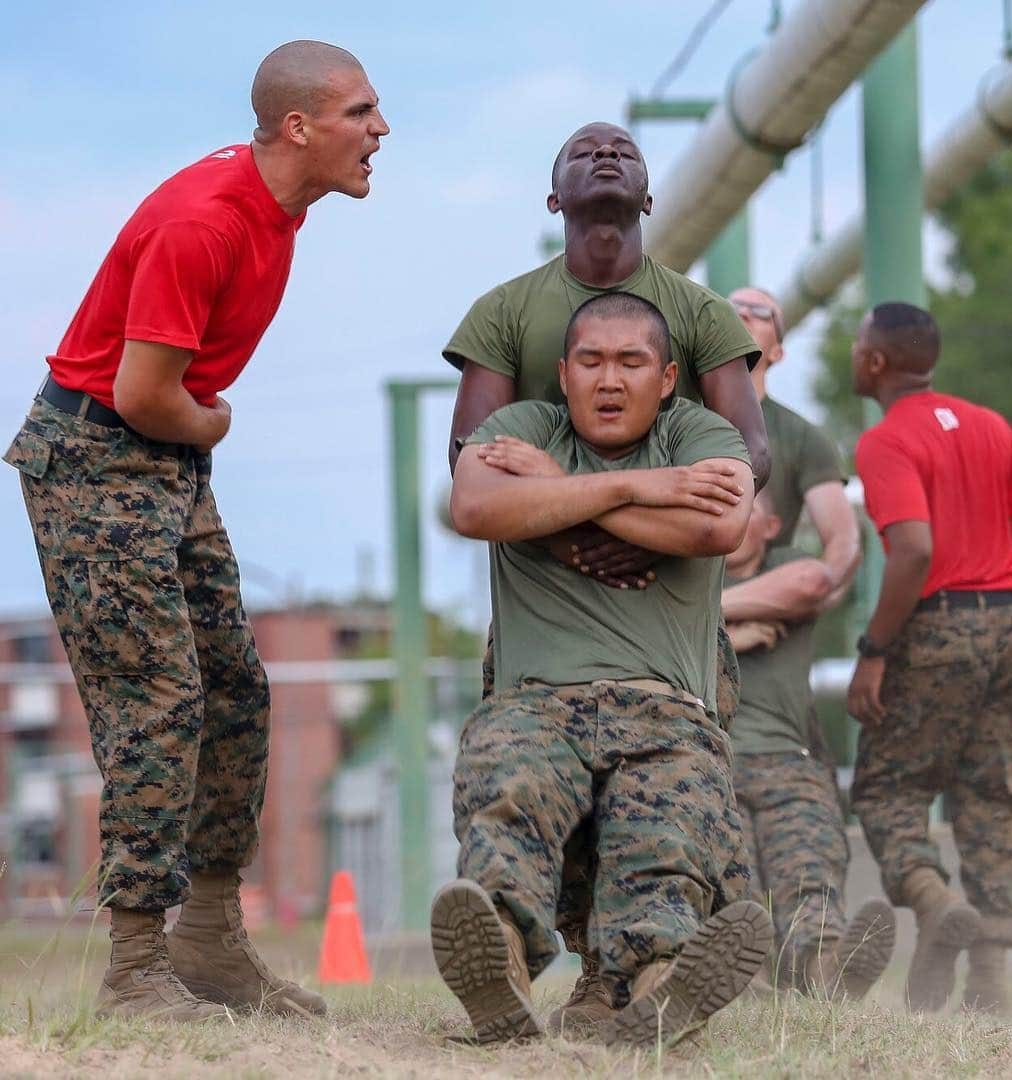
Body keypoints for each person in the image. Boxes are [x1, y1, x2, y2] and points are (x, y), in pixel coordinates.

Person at [2, 40, 389, 1021]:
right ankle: (135, 970)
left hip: (164, 461)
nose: (381, 131)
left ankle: (211, 942)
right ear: (298, 127)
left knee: (235, 690)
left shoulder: (281, 203)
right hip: (98, 457)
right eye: (362, 113)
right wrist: (215, 422)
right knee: (159, 697)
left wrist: (197, 431)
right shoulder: (204, 221)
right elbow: (143, 394)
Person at [443, 121, 765, 1031]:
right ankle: (500, 965)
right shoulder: (514, 353)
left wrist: (577, 496)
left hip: (665, 679)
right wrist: (618, 495)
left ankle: (649, 989)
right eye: (591, 362)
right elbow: (470, 495)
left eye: (632, 363)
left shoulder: (700, 347)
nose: (610, 378)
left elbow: (730, 504)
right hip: (540, 684)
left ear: (670, 379)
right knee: (510, 795)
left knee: (668, 829)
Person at [846, 302, 1012, 1013]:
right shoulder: (992, 426)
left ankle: (932, 898)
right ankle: (990, 988)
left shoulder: (885, 442)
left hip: (938, 628)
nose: (853, 353)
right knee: (991, 798)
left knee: (887, 791)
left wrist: (874, 651)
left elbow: (913, 549)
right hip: (1009, 627)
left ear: (877, 362)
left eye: (858, 344)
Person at [724, 489, 895, 998]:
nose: (731, 519)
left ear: (772, 526)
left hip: (788, 763)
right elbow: (649, 633)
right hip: (710, 763)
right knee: (733, 882)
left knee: (809, 864)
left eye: (746, 509)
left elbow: (823, 576)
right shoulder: (684, 578)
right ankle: (747, 983)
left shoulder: (793, 570)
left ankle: (827, 971)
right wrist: (730, 634)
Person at [721, 286, 860, 625]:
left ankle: (705, 616)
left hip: (761, 621)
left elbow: (843, 542)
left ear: (778, 352)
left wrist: (804, 598)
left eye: (761, 313)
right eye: (733, 307)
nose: (743, 314)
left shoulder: (804, 437)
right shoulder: (672, 416)